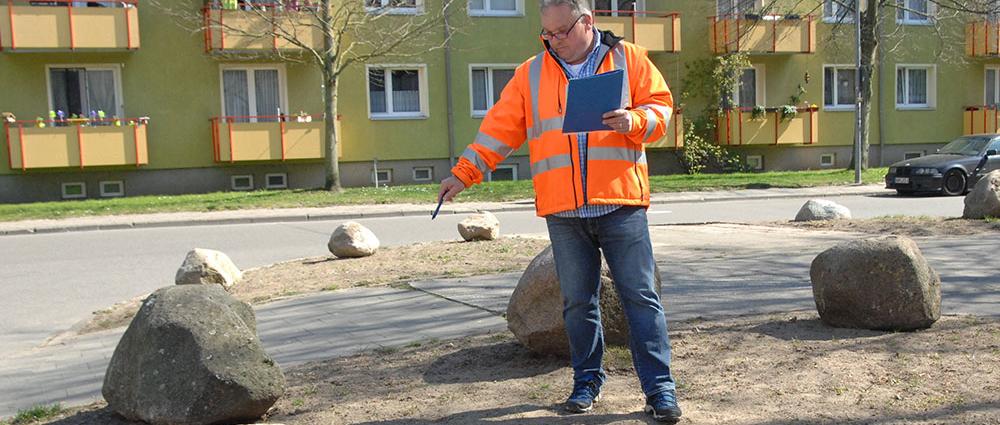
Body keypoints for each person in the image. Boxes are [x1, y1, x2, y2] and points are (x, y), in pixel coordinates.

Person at [437, 0, 681, 422]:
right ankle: (586, 383)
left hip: (619, 203)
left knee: (641, 299)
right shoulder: (531, 73)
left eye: (560, 33)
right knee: (576, 303)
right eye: (545, 34)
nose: (552, 41)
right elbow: (499, 130)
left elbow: (662, 111)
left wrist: (635, 120)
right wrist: (464, 172)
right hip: (564, 210)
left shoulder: (629, 58)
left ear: (587, 22)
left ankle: (660, 392)